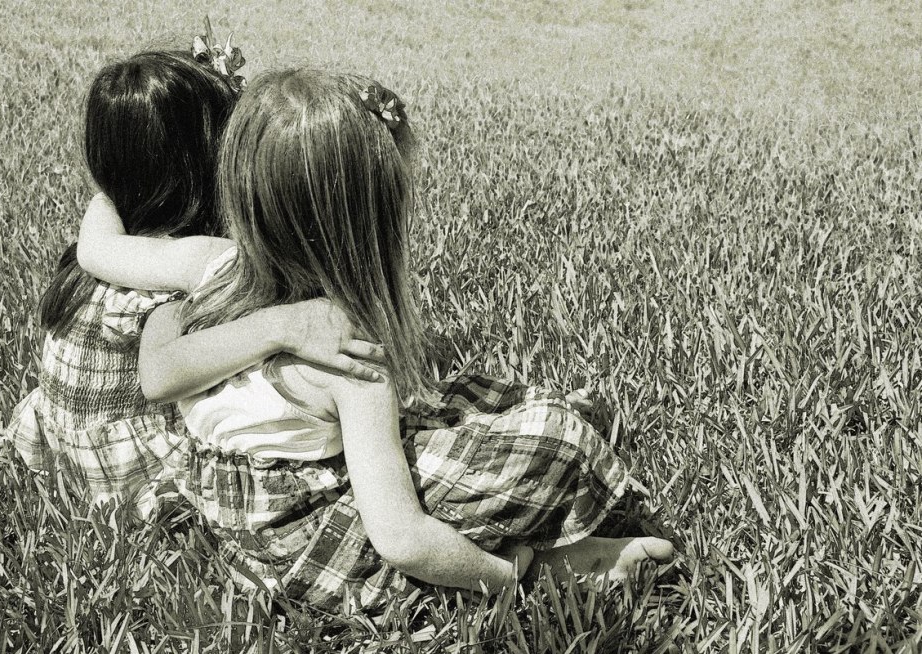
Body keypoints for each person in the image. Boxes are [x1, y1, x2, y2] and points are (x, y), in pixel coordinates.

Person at [81, 68, 674, 611]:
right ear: (371, 228)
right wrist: (511, 579)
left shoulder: (210, 267)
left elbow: (108, 274)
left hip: (234, 528)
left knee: (466, 409)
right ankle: (552, 566)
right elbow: (401, 539)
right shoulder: (347, 360)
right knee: (553, 435)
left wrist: (112, 186)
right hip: (313, 547)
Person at [6, 51, 383, 520]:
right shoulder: (199, 257)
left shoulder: (112, 246)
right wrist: (285, 323)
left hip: (63, 446)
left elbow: (92, 235)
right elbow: (162, 376)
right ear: (208, 162)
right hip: (129, 472)